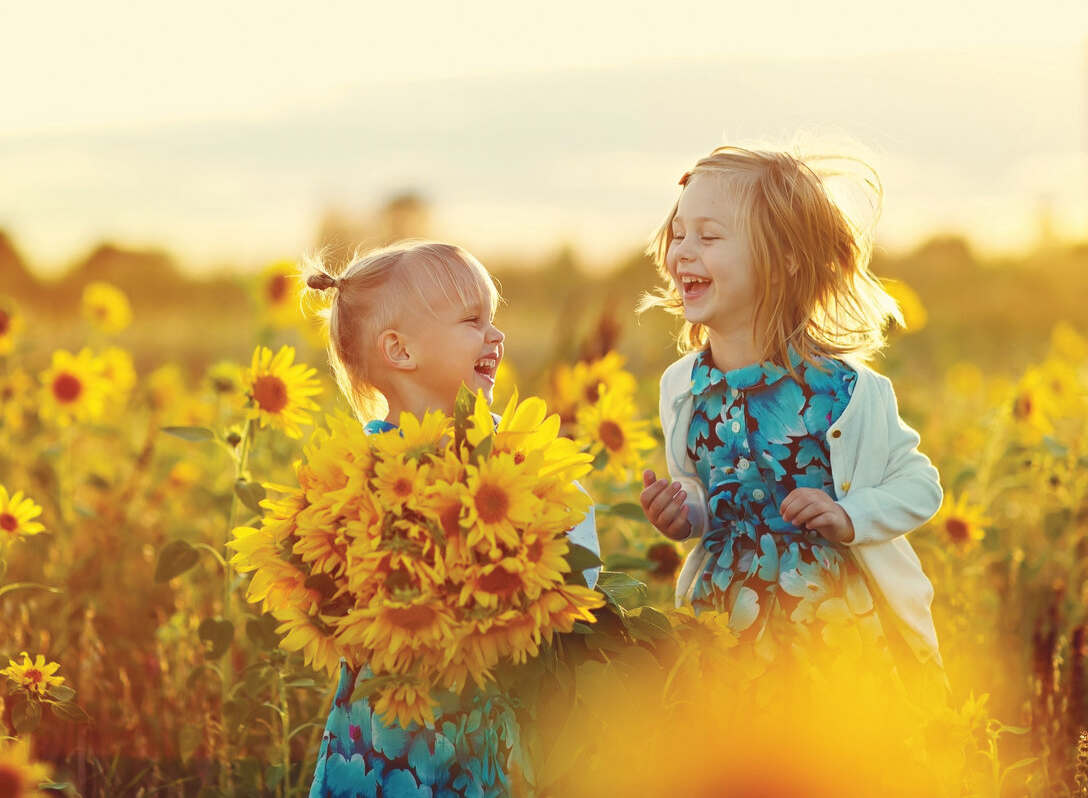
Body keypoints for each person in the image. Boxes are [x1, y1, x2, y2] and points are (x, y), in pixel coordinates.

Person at [302, 240, 601, 798]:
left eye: (493, 319)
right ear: (400, 350)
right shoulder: (357, 478)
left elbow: (581, 566)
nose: (495, 335)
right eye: (472, 320)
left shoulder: (513, 457)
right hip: (387, 723)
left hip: (484, 706)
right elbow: (327, 590)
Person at [636, 144, 943, 673]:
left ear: (784, 259)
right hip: (725, 627)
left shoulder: (847, 392)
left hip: (831, 631)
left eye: (709, 236)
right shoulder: (683, 387)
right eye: (679, 233)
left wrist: (850, 516)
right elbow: (701, 491)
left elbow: (920, 485)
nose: (683, 251)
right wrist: (683, 511)